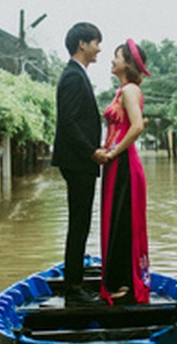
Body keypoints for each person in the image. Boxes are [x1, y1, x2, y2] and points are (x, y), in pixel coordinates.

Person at [51, 22, 108, 305]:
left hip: (78, 160)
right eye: (96, 42)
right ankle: (74, 286)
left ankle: (74, 280)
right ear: (82, 44)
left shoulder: (77, 74)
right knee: (79, 222)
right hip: (77, 160)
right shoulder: (73, 76)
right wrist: (91, 152)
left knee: (80, 221)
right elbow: (69, 122)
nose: (99, 48)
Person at [99, 38, 151, 305]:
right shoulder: (121, 91)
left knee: (122, 222)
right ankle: (119, 280)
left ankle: (123, 282)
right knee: (116, 219)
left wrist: (113, 152)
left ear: (128, 64)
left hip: (124, 164)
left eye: (117, 56)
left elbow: (138, 126)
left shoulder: (130, 90)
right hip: (115, 162)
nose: (112, 60)